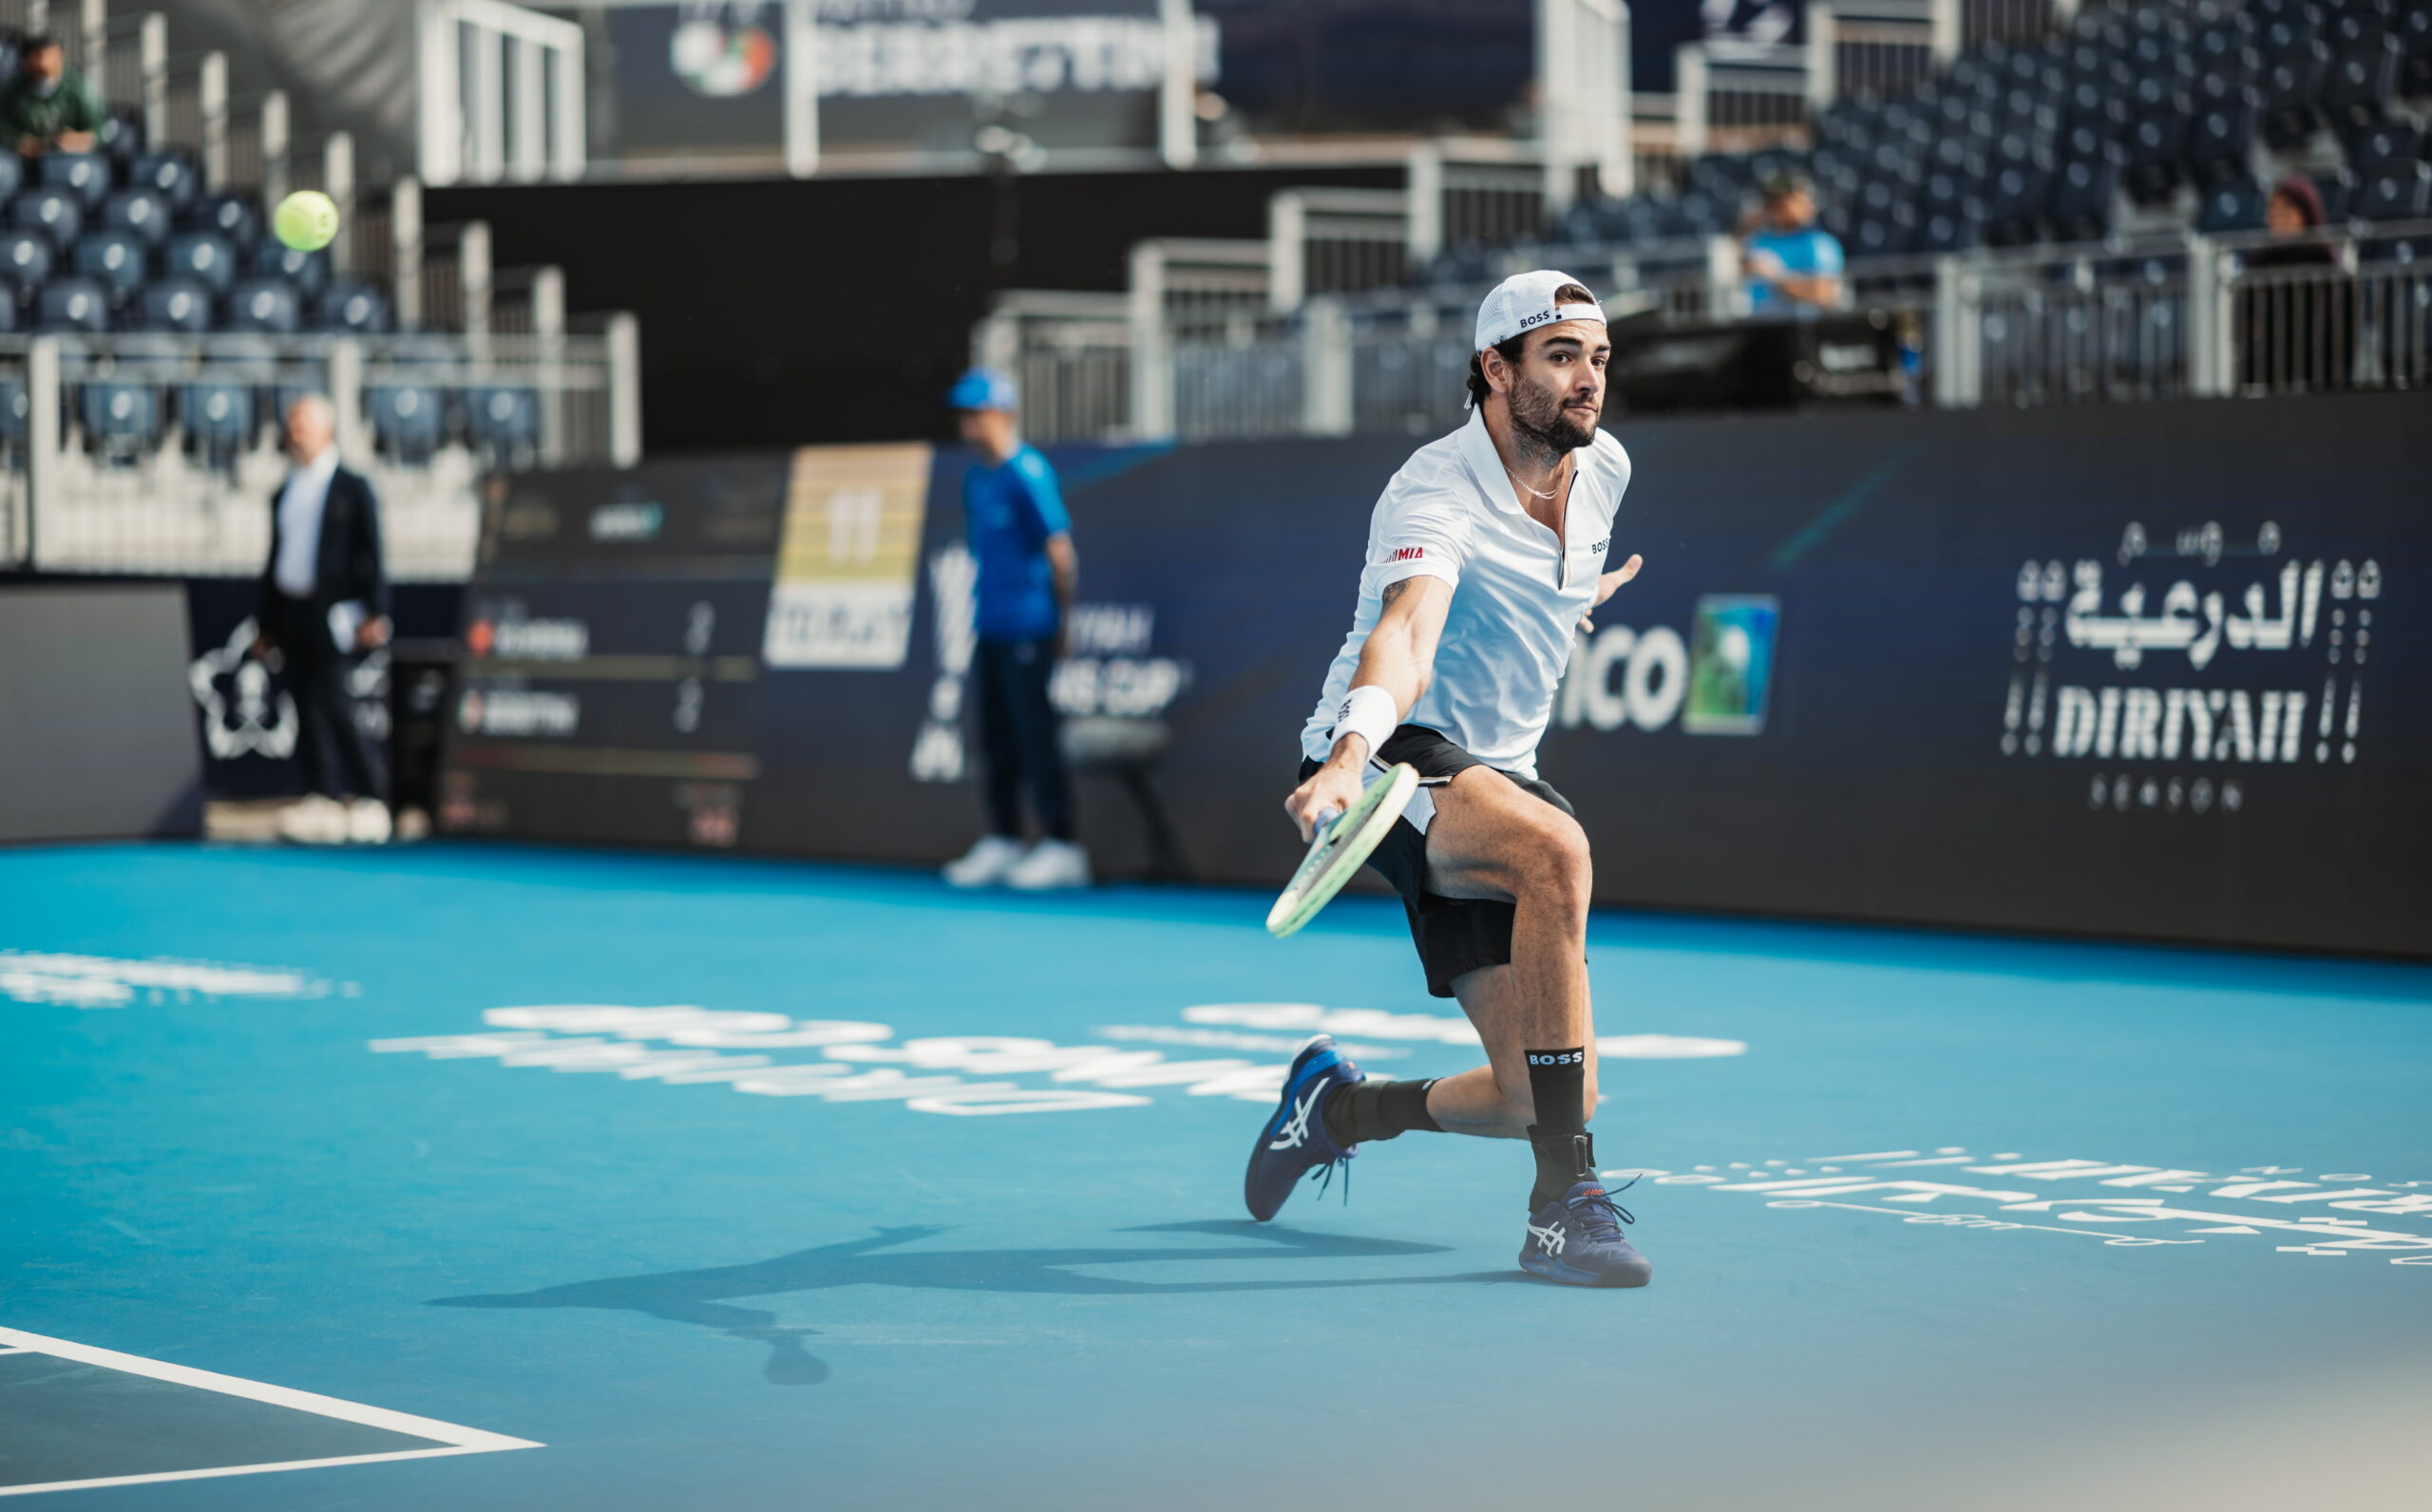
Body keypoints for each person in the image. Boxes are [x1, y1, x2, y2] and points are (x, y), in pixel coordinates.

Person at [1249, 270, 1650, 1288]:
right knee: (1556, 851)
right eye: (1560, 357)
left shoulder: (1601, 470)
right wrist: (1346, 755)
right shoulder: (1431, 489)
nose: (1587, 380)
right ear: (1494, 367)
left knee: (1541, 1091)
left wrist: (1573, 598)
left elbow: (1528, 589)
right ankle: (1563, 1203)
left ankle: (1336, 1107)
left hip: (1497, 770)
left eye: (1597, 358)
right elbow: (1408, 632)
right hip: (1392, 757)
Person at [939, 368, 1090, 891]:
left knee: (1035, 737)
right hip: (991, 626)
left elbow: (1059, 552)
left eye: (976, 413)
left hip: (1031, 627)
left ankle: (1062, 846)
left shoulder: (1029, 472)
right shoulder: (977, 478)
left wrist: (1062, 625)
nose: (967, 423)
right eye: (963, 413)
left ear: (1003, 415)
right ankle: (1003, 839)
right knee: (996, 739)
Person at [253, 395, 392, 844]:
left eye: (303, 423)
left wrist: (376, 611)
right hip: (292, 611)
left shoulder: (353, 487)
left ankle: (371, 796)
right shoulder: (285, 489)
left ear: (326, 429)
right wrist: (266, 624)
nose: (295, 431)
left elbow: (373, 552)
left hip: (336, 615)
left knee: (335, 700)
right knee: (304, 703)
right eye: (292, 422)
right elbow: (277, 558)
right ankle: (323, 795)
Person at [1740, 174, 1844, 315]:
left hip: (1804, 331)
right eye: (1775, 201)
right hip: (1759, 330)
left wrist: (1775, 277)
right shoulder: (1757, 240)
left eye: (1787, 199)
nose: (1780, 205)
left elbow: (1824, 295)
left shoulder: (1819, 244)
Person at [0, 36, 102, 157]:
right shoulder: (13, 90)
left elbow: (100, 127)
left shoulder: (77, 88)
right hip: (20, 159)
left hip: (67, 157)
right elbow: (3, 125)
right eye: (38, 56)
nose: (44, 63)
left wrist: (80, 139)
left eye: (51, 55)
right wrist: (18, 140)